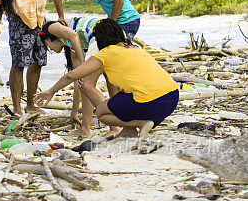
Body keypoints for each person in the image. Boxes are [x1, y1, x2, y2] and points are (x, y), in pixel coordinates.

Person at [35, 19, 179, 138]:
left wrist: (52, 90)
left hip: (151, 103)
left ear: (99, 39)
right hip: (171, 99)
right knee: (123, 94)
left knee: (102, 113)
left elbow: (70, 75)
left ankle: (139, 123)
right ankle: (129, 130)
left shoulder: (105, 54)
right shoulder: (135, 48)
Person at [39, 16, 112, 137]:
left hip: (101, 34)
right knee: (85, 84)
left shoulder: (51, 27)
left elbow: (73, 35)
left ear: (48, 38)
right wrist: (74, 112)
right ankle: (113, 124)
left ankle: (110, 127)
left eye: (46, 45)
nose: (49, 49)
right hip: (110, 35)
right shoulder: (73, 47)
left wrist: (84, 64)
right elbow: (77, 81)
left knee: (87, 84)